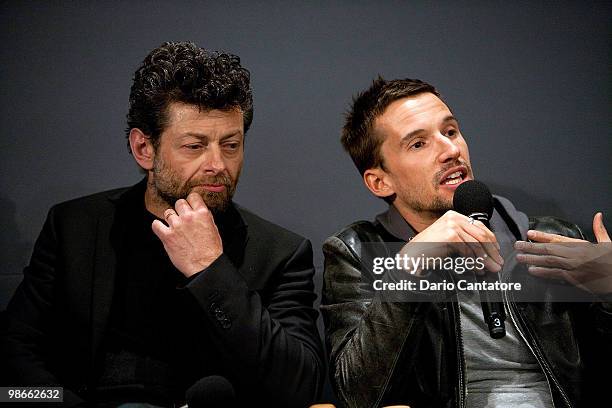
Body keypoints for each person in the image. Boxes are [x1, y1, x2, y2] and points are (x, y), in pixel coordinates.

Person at [1, 41, 324, 407]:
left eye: (231, 145)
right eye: (194, 146)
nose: (217, 163)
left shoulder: (280, 252)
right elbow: (15, 355)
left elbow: (300, 388)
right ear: (144, 149)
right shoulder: (74, 226)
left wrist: (210, 270)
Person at [320, 77, 611, 408]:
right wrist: (409, 268)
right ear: (379, 181)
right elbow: (358, 395)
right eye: (418, 144)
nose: (451, 150)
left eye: (450, 131)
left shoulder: (553, 240)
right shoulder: (358, 252)